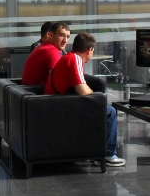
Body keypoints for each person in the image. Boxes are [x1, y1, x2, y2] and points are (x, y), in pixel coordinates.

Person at [45, 33, 125, 166]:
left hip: (55, 104)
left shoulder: (69, 57)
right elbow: (82, 90)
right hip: (62, 108)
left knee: (102, 107)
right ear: (90, 50)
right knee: (110, 112)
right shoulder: (75, 59)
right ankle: (109, 154)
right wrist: (95, 96)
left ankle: (95, 150)